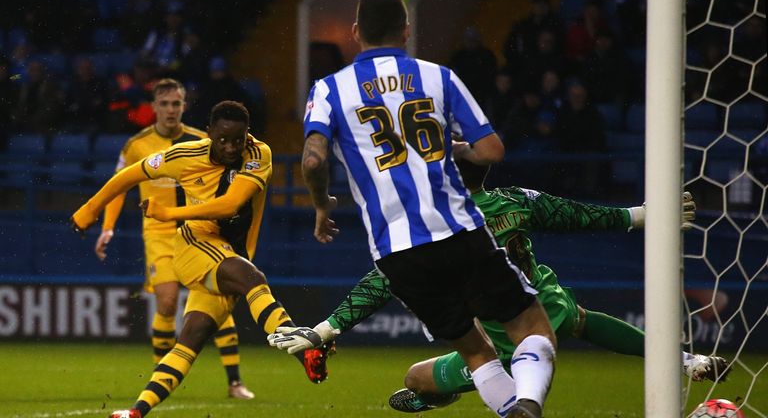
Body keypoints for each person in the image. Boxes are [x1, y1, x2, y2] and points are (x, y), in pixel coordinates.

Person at [275, 0, 556, 417]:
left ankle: (513, 410)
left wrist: (321, 205)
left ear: (354, 32)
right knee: (533, 328)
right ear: (406, 31)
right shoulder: (437, 76)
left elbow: (312, 159)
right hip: (458, 231)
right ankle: (529, 403)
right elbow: (492, 151)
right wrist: (456, 150)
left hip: (397, 254)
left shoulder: (330, 89)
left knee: (475, 353)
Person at [274, 160, 732, 413]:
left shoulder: (437, 223)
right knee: (575, 320)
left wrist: (326, 328)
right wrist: (642, 215)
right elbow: (577, 215)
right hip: (540, 297)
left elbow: (385, 279)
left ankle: (511, 398)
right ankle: (687, 359)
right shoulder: (516, 200)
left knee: (489, 359)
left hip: (498, 333)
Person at [71, 101, 332, 418]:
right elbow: (128, 176)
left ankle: (136, 411)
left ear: (247, 135)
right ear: (209, 133)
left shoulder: (259, 154)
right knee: (253, 279)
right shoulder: (183, 156)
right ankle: (304, 352)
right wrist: (90, 210)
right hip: (195, 245)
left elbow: (229, 205)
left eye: (238, 139)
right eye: (223, 139)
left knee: (190, 339)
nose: (231, 147)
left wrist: (170, 212)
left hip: (227, 253)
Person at [94, 78, 255, 400]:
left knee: (215, 305)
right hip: (159, 234)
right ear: (153, 107)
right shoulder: (136, 144)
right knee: (166, 302)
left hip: (202, 232)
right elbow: (119, 186)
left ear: (184, 106)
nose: (170, 110)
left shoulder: (204, 141)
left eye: (176, 103)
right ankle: (160, 375)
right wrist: (107, 227)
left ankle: (235, 382)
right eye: (164, 104)